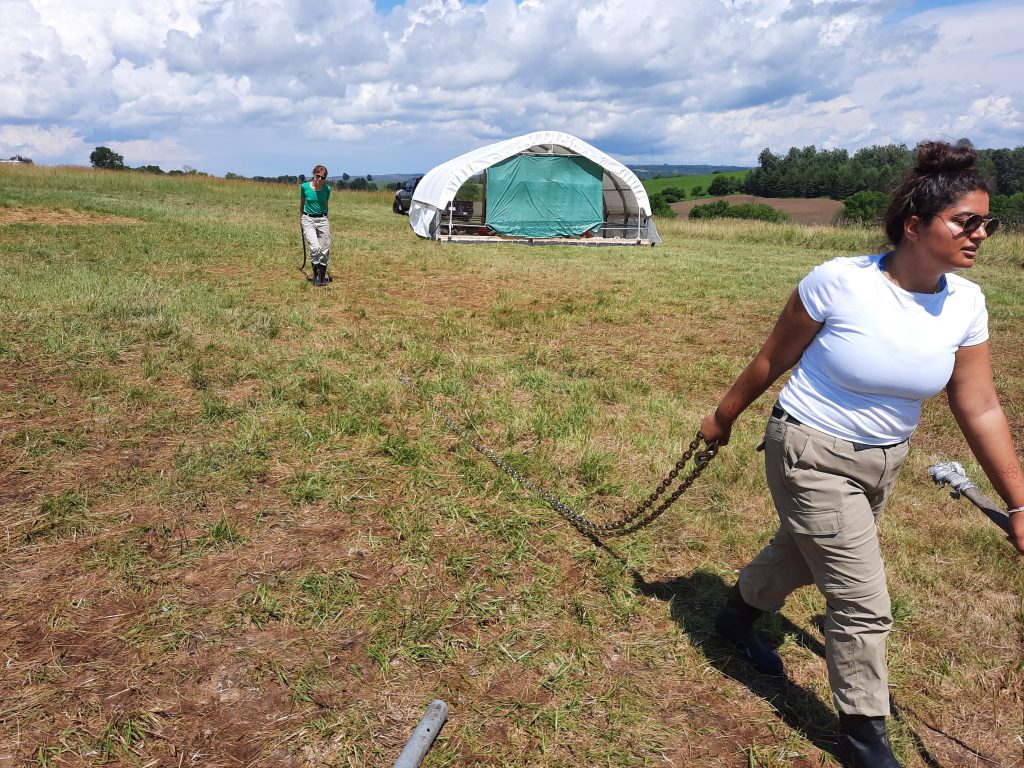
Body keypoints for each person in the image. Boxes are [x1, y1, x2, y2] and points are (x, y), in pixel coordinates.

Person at [699, 140, 1024, 768]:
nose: (981, 234)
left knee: (802, 551)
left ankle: (733, 621)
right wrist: (723, 416)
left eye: (988, 222)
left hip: (883, 461)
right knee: (860, 601)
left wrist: (1019, 501)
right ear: (915, 225)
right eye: (966, 221)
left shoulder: (966, 304)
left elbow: (980, 405)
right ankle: (863, 741)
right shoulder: (840, 282)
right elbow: (773, 357)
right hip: (809, 450)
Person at [300, 165, 332, 287]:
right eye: (318, 176)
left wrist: (326, 219)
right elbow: (302, 204)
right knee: (315, 248)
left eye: (322, 177)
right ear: (313, 174)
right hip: (308, 219)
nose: (319, 179)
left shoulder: (327, 189)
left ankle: (322, 278)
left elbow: (326, 204)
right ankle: (315, 276)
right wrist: (301, 219)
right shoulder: (304, 187)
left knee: (324, 250)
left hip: (322, 219)